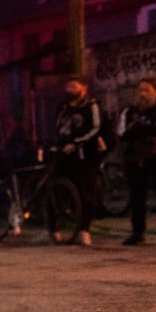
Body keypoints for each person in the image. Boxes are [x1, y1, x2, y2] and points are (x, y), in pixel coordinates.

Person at [118, 77, 156, 246]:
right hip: (136, 157)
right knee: (137, 195)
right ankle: (138, 232)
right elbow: (122, 133)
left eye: (147, 90)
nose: (143, 94)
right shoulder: (130, 111)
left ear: (155, 92)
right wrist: (142, 130)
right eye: (141, 90)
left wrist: (136, 129)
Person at [52, 76, 104, 246]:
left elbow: (95, 128)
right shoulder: (62, 107)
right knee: (56, 189)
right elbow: (57, 127)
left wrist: (76, 143)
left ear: (83, 88)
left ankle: (84, 230)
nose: (70, 89)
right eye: (68, 85)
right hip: (63, 154)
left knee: (86, 194)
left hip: (84, 156)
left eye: (74, 85)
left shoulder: (91, 106)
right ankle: (54, 228)